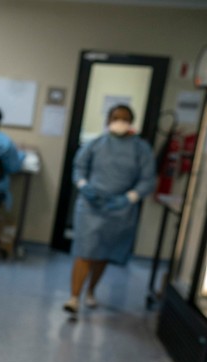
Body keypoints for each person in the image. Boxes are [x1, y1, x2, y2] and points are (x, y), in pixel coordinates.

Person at [63, 104, 155, 314]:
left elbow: (147, 180)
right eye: (116, 117)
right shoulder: (96, 144)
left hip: (120, 209)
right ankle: (74, 297)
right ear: (108, 120)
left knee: (103, 253)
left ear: (131, 122)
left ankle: (91, 291)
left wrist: (129, 197)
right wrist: (84, 186)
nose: (119, 122)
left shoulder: (141, 149)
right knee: (85, 251)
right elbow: (78, 168)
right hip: (90, 206)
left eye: (124, 118)